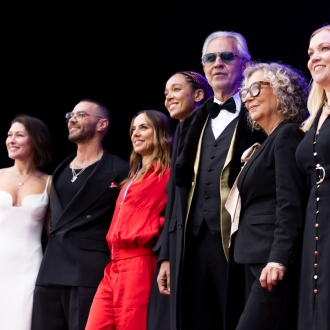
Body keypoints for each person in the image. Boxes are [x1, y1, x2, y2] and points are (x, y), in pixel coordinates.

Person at [157, 31, 266, 330]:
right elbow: (175, 194)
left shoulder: (261, 116)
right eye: (210, 58)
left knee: (237, 318)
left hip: (239, 243)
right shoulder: (189, 123)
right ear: (204, 67)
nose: (217, 63)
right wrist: (167, 255)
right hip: (190, 244)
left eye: (227, 56)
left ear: (245, 63)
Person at [31, 99, 129, 330]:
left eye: (81, 115)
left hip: (88, 271)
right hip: (51, 269)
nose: (72, 120)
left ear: (102, 124)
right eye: (70, 116)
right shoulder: (61, 168)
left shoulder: (120, 169)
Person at [230, 62, 309, 329]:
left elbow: (290, 203)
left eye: (256, 87)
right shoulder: (268, 142)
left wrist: (279, 257)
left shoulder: (287, 135)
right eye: (245, 92)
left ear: (282, 91)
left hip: (271, 259)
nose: (248, 96)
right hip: (254, 256)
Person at [85, 110, 173, 330]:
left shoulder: (169, 174)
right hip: (113, 265)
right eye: (133, 129)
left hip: (140, 265)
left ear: (160, 133)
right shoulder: (131, 177)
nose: (136, 133)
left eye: (144, 127)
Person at [147, 71, 213, 330]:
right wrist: (166, 255)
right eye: (166, 93)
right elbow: (175, 204)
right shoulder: (182, 136)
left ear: (198, 95)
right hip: (180, 245)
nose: (168, 97)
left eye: (175, 89)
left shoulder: (212, 132)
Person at [0, 114, 52, 329]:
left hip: (30, 269)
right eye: (9, 135)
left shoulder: (50, 182)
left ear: (36, 141)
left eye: (19, 135)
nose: (11, 140)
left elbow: (53, 232)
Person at [296, 25, 330, 329]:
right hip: (315, 220)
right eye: (311, 52)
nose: (315, 58)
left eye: (325, 49)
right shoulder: (316, 114)